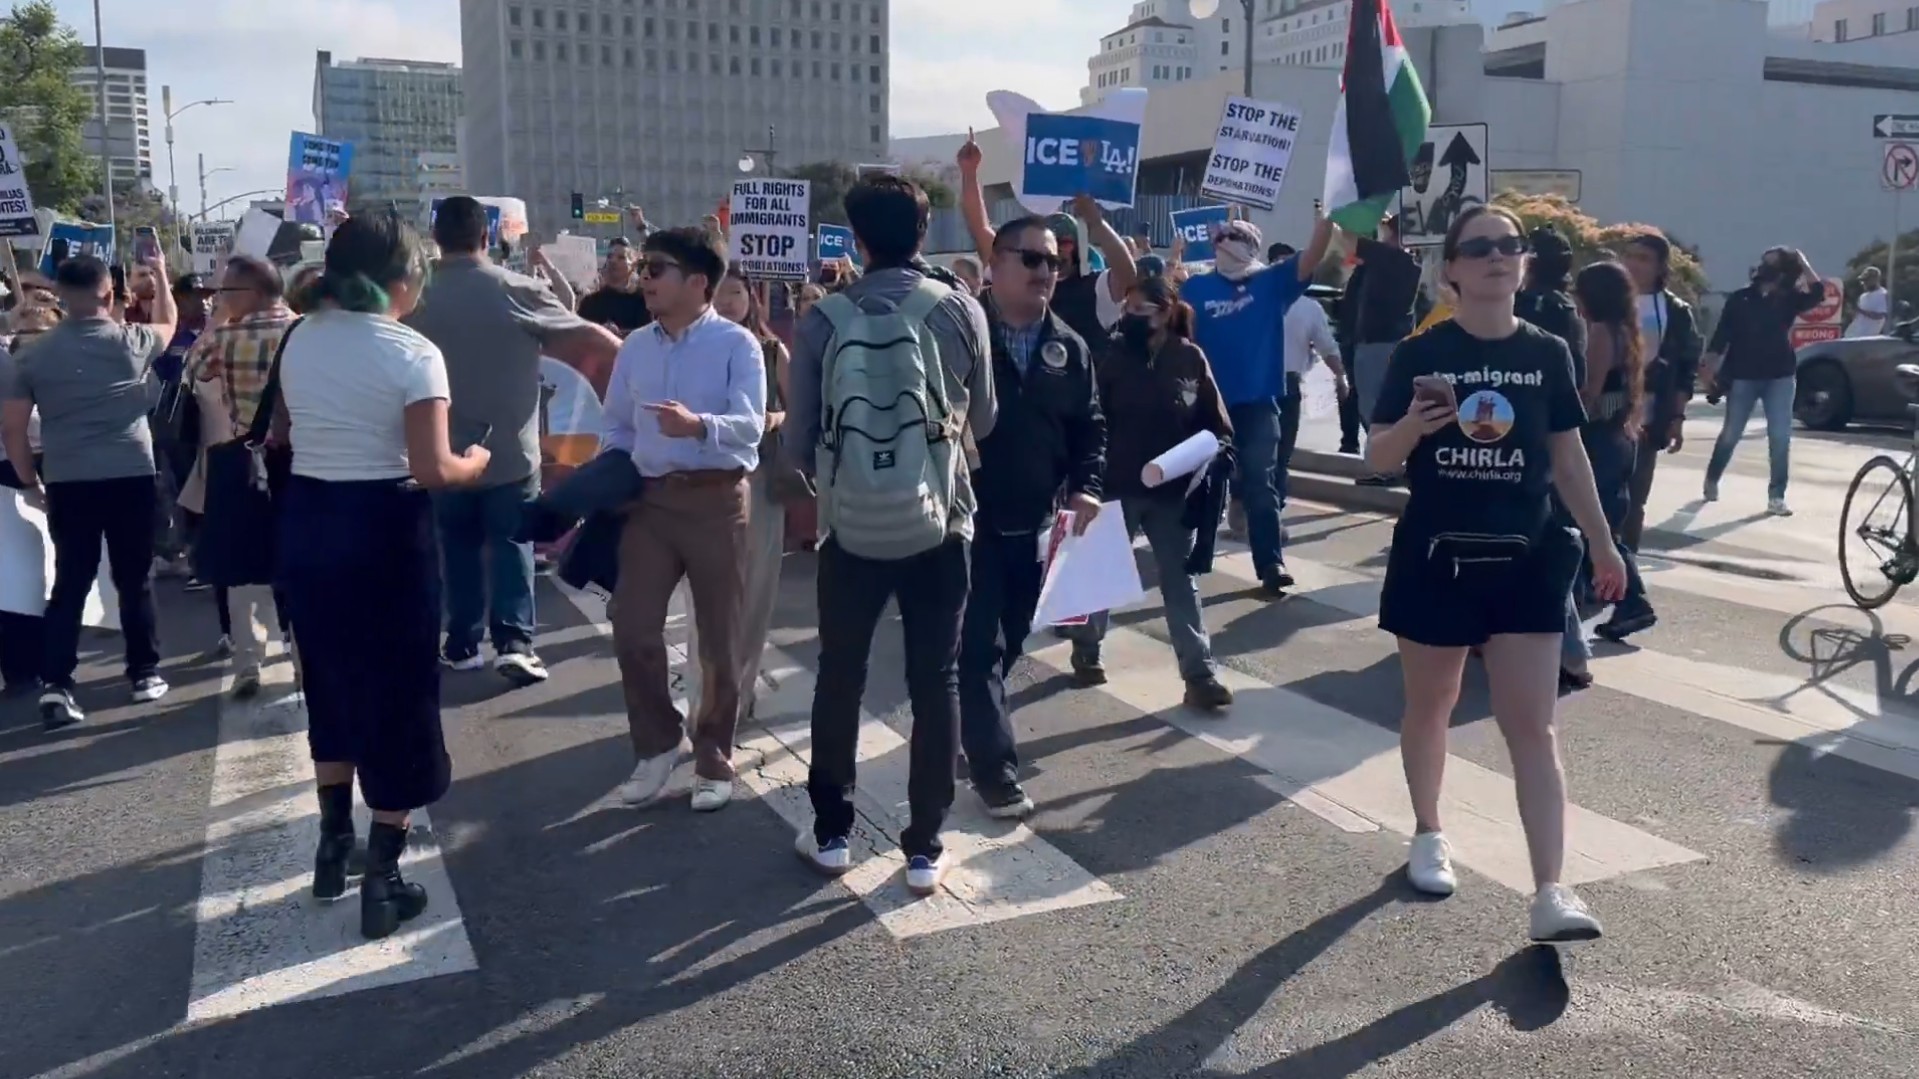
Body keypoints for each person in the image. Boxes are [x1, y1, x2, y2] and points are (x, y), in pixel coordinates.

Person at [1367, 205, 1624, 942]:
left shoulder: (1546, 351)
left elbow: (1567, 456)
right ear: (1448, 269)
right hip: (1435, 552)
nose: (1495, 257)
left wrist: (1605, 546)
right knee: (1432, 704)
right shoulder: (1420, 353)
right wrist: (1416, 426)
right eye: (1477, 248)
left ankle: (1550, 889)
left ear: (1524, 264)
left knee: (1532, 727)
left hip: (1525, 555)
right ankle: (1427, 832)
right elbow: (1376, 458)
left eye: (1508, 246)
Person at [276, 211, 489, 940]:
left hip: (309, 521)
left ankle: (334, 843)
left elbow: (284, 433)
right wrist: (475, 462)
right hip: (384, 530)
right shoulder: (413, 352)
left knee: (329, 681)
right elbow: (432, 468)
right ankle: (386, 874)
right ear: (401, 279)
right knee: (399, 693)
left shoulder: (298, 336)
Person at [787, 175, 994, 891]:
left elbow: (799, 441)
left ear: (858, 239)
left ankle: (832, 829)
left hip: (851, 527)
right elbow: (985, 420)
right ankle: (925, 843)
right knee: (935, 676)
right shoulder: (961, 309)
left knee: (839, 673)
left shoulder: (822, 318)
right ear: (923, 229)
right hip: (941, 519)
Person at [407, 196, 621, 685]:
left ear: (436, 239)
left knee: (455, 549)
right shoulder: (517, 289)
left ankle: (461, 643)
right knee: (511, 545)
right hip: (509, 453)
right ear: (487, 236)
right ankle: (515, 643)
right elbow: (594, 340)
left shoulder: (414, 295)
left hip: (439, 451)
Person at [600, 226, 765, 814]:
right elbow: (616, 424)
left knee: (719, 638)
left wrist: (699, 426)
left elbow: (751, 427)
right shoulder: (636, 348)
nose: (644, 278)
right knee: (633, 625)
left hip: (717, 500)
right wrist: (608, 474)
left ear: (698, 282)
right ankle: (656, 743)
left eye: (656, 269)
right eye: (643, 267)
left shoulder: (736, 346)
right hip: (649, 503)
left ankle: (714, 751)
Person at [957, 212, 1104, 823]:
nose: (1048, 271)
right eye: (1034, 259)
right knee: (978, 648)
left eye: (1056, 261)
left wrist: (1088, 487)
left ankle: (971, 722)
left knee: (1012, 636)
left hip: (1036, 522)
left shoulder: (1068, 347)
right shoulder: (961, 335)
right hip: (965, 521)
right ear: (995, 264)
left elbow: (1090, 427)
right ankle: (996, 770)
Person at [2, 253, 177, 731]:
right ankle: (144, 671)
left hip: (68, 478)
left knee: (71, 582)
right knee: (134, 576)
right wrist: (159, 272)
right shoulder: (130, 341)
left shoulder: (31, 354)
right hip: (130, 474)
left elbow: (13, 429)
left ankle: (57, 682)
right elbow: (167, 322)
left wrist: (28, 481)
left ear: (60, 296)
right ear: (108, 294)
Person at [1066, 274, 1234, 708]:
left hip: (1173, 493)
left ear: (1164, 312)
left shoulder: (1189, 357)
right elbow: (1092, 420)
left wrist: (1216, 451)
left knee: (1181, 582)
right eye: (1128, 309)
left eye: (1140, 309)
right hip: (1118, 485)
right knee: (1101, 576)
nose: (1131, 317)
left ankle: (1199, 675)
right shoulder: (1112, 358)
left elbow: (1216, 423)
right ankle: (1086, 648)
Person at [1180, 214, 1333, 593]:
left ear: (1252, 244)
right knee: (1200, 483)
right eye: (1223, 236)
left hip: (1258, 406)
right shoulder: (1196, 288)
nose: (1227, 242)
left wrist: (1326, 220)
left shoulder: (1271, 283)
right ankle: (1191, 555)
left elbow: (1313, 255)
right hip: (1206, 406)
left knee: (1260, 485)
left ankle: (1270, 562)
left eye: (1237, 236)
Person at [180, 255, 299, 697]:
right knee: (296, 563)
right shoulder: (304, 330)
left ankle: (249, 659)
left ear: (248, 293)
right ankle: (303, 656)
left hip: (243, 459)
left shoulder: (226, 336)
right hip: (300, 460)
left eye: (224, 293)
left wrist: (215, 323)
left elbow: (192, 375)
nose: (218, 300)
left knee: (242, 566)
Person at [683, 268, 797, 729]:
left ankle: (740, 693)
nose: (729, 301)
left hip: (763, 484)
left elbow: (802, 410)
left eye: (736, 292)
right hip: (702, 485)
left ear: (751, 298)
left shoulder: (772, 352)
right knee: (702, 599)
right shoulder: (690, 350)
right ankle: (702, 699)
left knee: (754, 594)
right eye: (720, 292)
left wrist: (774, 418)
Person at [956, 129, 1137, 346]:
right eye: (1034, 256)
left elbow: (1126, 274)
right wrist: (969, 172)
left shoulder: (1094, 289)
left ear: (1078, 247)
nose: (1055, 253)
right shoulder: (1013, 272)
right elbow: (980, 228)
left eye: (1065, 244)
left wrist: (1096, 222)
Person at [1570, 261, 1655, 657]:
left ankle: (1632, 602)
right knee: (1601, 524)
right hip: (1621, 436)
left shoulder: (1602, 333)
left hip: (1601, 439)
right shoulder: (1626, 330)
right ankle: (1616, 600)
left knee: (1594, 524)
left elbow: (1590, 392)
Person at [1701, 246, 1825, 516]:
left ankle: (1776, 496)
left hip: (1780, 374)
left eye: (1772, 264)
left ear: (1783, 272)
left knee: (1780, 436)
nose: (1764, 268)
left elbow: (1818, 293)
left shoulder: (1789, 298)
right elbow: (1721, 337)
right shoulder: (1740, 299)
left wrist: (1803, 261)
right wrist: (1708, 370)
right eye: (1763, 262)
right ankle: (1712, 478)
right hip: (1743, 375)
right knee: (1732, 433)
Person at [1618, 233, 1701, 554]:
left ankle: (1626, 566)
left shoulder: (1674, 310)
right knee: (1600, 493)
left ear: (1659, 267)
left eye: (1643, 258)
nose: (1633, 264)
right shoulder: (1606, 300)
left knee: (1635, 498)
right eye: (1630, 255)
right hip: (1606, 412)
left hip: (1650, 415)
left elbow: (1684, 369)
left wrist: (1677, 417)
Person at [1270, 240, 1349, 524]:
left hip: (1286, 386)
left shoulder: (1308, 308)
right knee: (1264, 454)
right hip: (1257, 385)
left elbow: (1327, 347)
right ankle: (1254, 512)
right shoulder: (1255, 302)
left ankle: (1268, 515)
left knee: (1278, 455)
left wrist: (1340, 376)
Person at [1350, 214, 1422, 485]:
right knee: (1389, 404)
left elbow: (1347, 239)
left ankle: (1386, 466)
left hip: (1376, 343)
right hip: (1393, 340)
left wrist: (1333, 215)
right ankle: (1391, 463)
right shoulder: (1411, 262)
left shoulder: (1391, 257)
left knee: (1374, 406)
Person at [576, 237, 653, 336]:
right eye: (609, 256)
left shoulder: (642, 301)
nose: (613, 261)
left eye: (621, 257)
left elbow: (648, 336)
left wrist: (618, 333)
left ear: (632, 266)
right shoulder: (590, 302)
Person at [1847, 266, 1889, 338]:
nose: (1864, 283)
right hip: (1854, 335)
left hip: (1868, 337)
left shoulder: (1882, 294)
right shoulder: (1863, 296)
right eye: (1863, 281)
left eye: (1866, 280)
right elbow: (1859, 317)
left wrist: (1860, 310)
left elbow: (1880, 316)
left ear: (1875, 279)